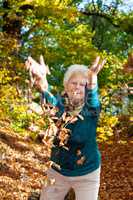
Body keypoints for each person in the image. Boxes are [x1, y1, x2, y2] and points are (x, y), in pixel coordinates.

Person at [25, 55, 106, 200]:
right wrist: (42, 81)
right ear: (66, 86)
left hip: (87, 173)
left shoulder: (91, 109)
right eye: (74, 83)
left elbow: (93, 96)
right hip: (57, 171)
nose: (77, 87)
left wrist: (92, 78)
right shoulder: (60, 106)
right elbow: (50, 104)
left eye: (83, 85)